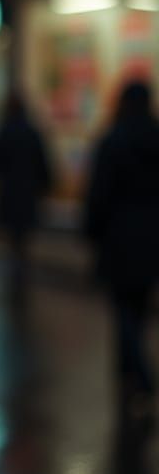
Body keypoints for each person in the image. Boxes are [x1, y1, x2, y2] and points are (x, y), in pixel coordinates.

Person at [85, 79, 159, 409]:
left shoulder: (113, 140)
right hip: (151, 238)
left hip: (119, 237)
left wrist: (92, 233)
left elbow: (98, 194)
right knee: (138, 308)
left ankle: (138, 374)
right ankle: (128, 374)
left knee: (123, 309)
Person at [0, 91, 51, 296]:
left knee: (13, 235)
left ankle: (16, 270)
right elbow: (42, 164)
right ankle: (21, 270)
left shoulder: (4, 132)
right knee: (23, 234)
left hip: (10, 191)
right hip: (27, 192)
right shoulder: (32, 132)